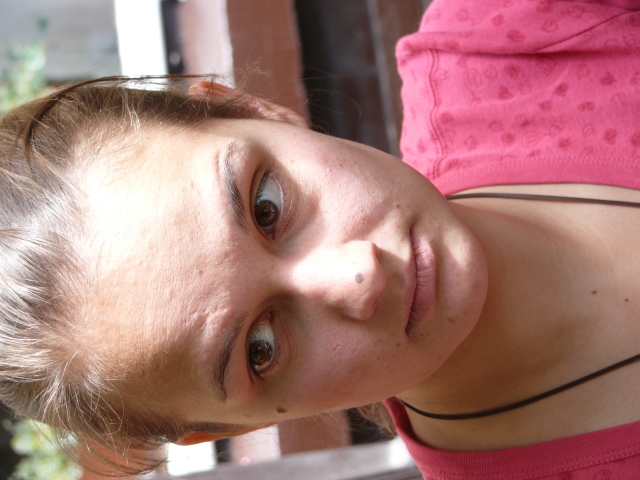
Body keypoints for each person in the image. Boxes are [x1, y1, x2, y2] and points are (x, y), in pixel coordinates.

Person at [1, 0, 640, 478]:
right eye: (260, 349)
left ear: (251, 108)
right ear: (224, 427)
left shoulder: (514, 31)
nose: (358, 278)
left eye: (267, 206)